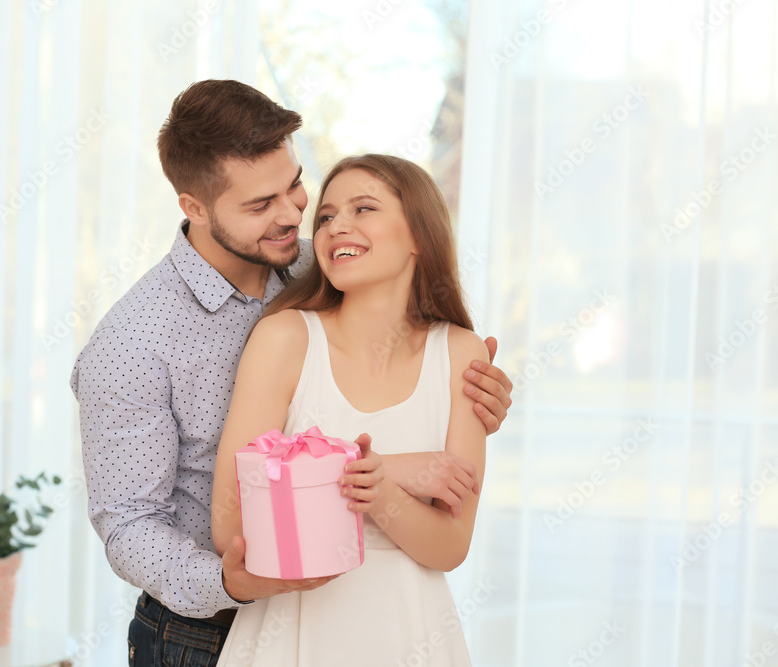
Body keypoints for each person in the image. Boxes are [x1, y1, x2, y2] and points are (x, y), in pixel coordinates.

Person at [71, 80, 512, 667]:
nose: (293, 218)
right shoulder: (130, 346)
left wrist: (476, 403)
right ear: (194, 207)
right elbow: (129, 525)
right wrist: (234, 582)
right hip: (204, 627)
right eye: (259, 205)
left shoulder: (321, 262)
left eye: (296, 187)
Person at [211, 154, 486, 666]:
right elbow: (232, 525)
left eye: (363, 208)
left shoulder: (463, 355)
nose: (338, 225)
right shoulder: (286, 337)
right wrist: (378, 473)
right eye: (326, 216)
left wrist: (380, 493)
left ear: (419, 237)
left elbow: (450, 547)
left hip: (412, 635)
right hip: (289, 637)